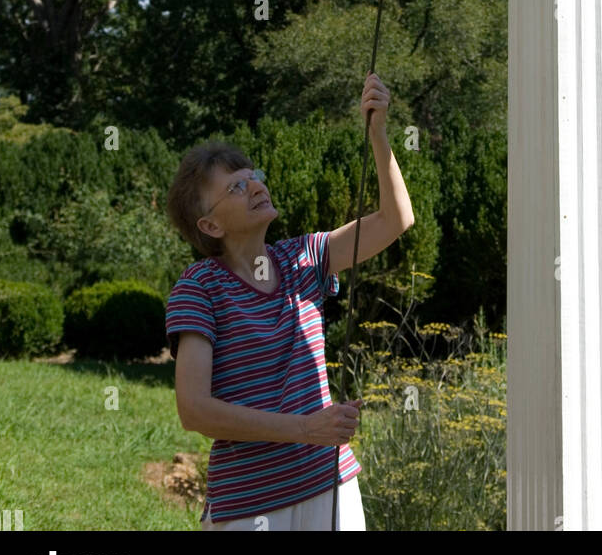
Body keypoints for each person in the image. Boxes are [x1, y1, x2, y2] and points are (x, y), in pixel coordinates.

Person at [164, 71, 414, 531]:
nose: (257, 186)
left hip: (331, 486)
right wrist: (305, 429)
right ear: (210, 227)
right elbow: (193, 409)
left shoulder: (306, 256)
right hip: (250, 507)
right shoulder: (200, 288)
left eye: (253, 177)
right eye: (236, 188)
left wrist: (377, 134)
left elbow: (395, 219)